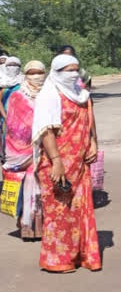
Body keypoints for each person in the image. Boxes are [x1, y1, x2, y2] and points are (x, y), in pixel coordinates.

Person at [33, 54, 100, 272]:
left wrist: (92, 142)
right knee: (59, 211)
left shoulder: (81, 93)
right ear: (56, 71)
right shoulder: (49, 95)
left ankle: (79, 254)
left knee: (79, 210)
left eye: (76, 69)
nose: (72, 74)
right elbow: (46, 130)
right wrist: (56, 161)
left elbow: (88, 120)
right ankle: (57, 260)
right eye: (67, 70)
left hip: (80, 163)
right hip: (57, 163)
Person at [4, 61, 46, 240]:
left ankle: (41, 228)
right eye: (32, 73)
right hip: (22, 150)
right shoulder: (17, 96)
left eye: (39, 73)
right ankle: (26, 226)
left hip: (46, 148)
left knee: (42, 189)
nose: (36, 77)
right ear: (26, 74)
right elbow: (14, 126)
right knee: (26, 187)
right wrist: (32, 147)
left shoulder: (49, 94)